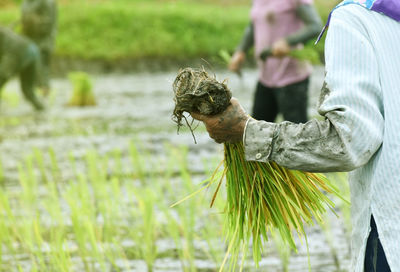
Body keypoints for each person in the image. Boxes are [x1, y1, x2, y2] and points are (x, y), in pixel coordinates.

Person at [192, 1, 400, 271]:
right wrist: (242, 52)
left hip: (390, 232)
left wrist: (248, 131)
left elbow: (351, 139)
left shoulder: (355, 17)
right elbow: (252, 25)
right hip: (268, 77)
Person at [228, 0, 322, 123]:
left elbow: (315, 26)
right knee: (257, 130)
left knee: (296, 133)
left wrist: (288, 42)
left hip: (292, 78)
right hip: (265, 77)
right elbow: (254, 25)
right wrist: (241, 51)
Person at [0, 27, 44, 110]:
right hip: (32, 49)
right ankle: (42, 109)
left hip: (17, 52)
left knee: (1, 76)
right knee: (28, 90)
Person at [21, 0, 57, 96]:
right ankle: (34, 94)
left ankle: (45, 92)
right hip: (28, 42)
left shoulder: (47, 2)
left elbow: (49, 24)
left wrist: (35, 21)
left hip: (44, 41)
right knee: (30, 70)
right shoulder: (25, 3)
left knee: (43, 68)